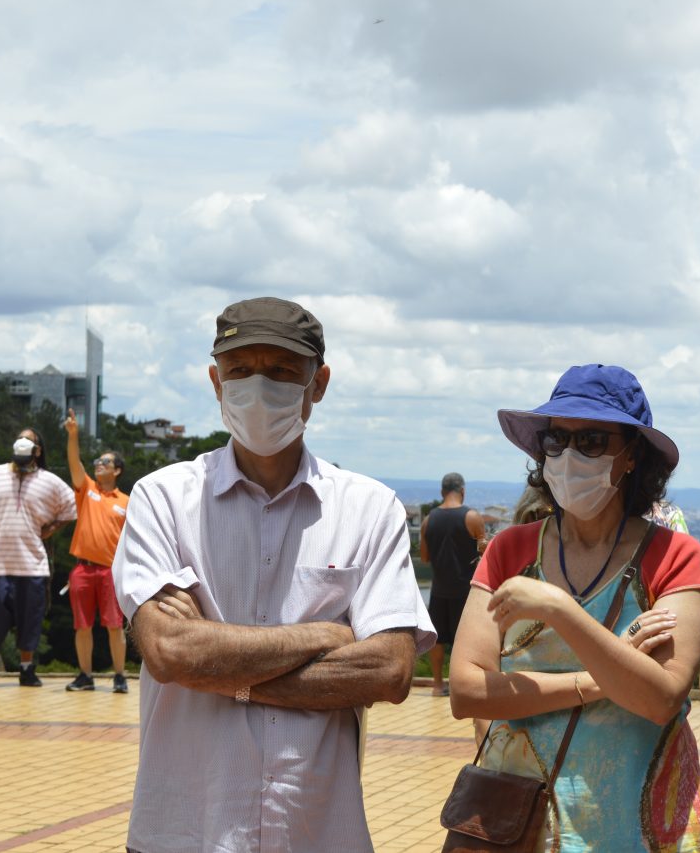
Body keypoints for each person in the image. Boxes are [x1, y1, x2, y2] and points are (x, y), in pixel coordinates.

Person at [113, 296, 433, 853]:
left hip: (316, 831)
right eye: (239, 370)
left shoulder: (369, 508)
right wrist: (326, 635)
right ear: (216, 381)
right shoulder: (163, 499)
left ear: (318, 383)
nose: (258, 388)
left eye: (282, 370)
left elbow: (388, 670)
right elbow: (168, 651)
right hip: (185, 831)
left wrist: (217, 667)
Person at [449, 363, 700, 852]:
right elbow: (468, 691)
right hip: (521, 826)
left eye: (592, 441)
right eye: (557, 439)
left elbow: (660, 700)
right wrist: (601, 682)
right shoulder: (511, 550)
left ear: (631, 455)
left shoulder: (675, 557)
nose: (569, 455)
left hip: (639, 829)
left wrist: (560, 609)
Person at [0, 428, 73, 687]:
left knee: (29, 620)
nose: (23, 442)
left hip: (31, 565)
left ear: (37, 451)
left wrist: (51, 529)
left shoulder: (49, 481)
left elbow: (71, 507)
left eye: (29, 440)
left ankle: (27, 670)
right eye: (20, 438)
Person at [61, 407, 130, 694]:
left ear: (117, 470)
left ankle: (119, 676)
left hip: (111, 571)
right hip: (83, 568)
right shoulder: (87, 490)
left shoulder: (126, 501)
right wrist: (73, 435)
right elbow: (74, 463)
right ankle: (85, 676)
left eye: (105, 462)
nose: (99, 465)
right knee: (82, 625)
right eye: (98, 461)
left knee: (114, 625)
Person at [418, 471, 484, 697]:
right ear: (462, 491)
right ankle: (462, 686)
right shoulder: (472, 517)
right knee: (465, 641)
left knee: (438, 640)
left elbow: (424, 557)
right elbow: (484, 554)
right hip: (466, 592)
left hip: (438, 590)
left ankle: (438, 685)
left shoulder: (428, 520)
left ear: (442, 492)